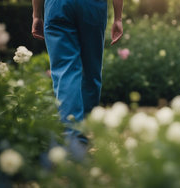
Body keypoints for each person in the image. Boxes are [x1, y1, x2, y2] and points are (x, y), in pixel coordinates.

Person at [31, 0, 123, 143]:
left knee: (64, 71)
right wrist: (118, 18)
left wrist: (37, 15)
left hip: (58, 6)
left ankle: (73, 135)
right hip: (92, 6)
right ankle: (85, 129)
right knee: (91, 70)